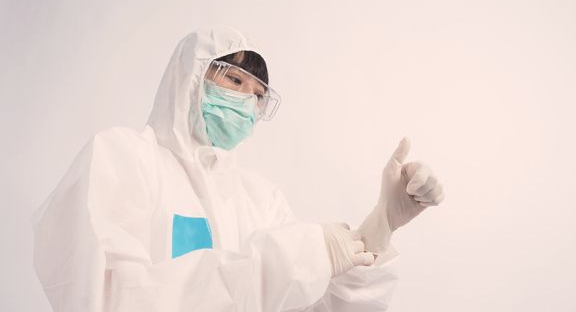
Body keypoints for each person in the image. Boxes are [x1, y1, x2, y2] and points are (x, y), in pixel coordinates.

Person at [32, 26, 445, 312]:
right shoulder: (122, 159)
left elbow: (318, 304)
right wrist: (283, 264)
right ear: (191, 77)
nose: (248, 100)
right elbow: (108, 299)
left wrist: (378, 230)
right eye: (235, 80)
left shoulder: (260, 199)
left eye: (259, 94)